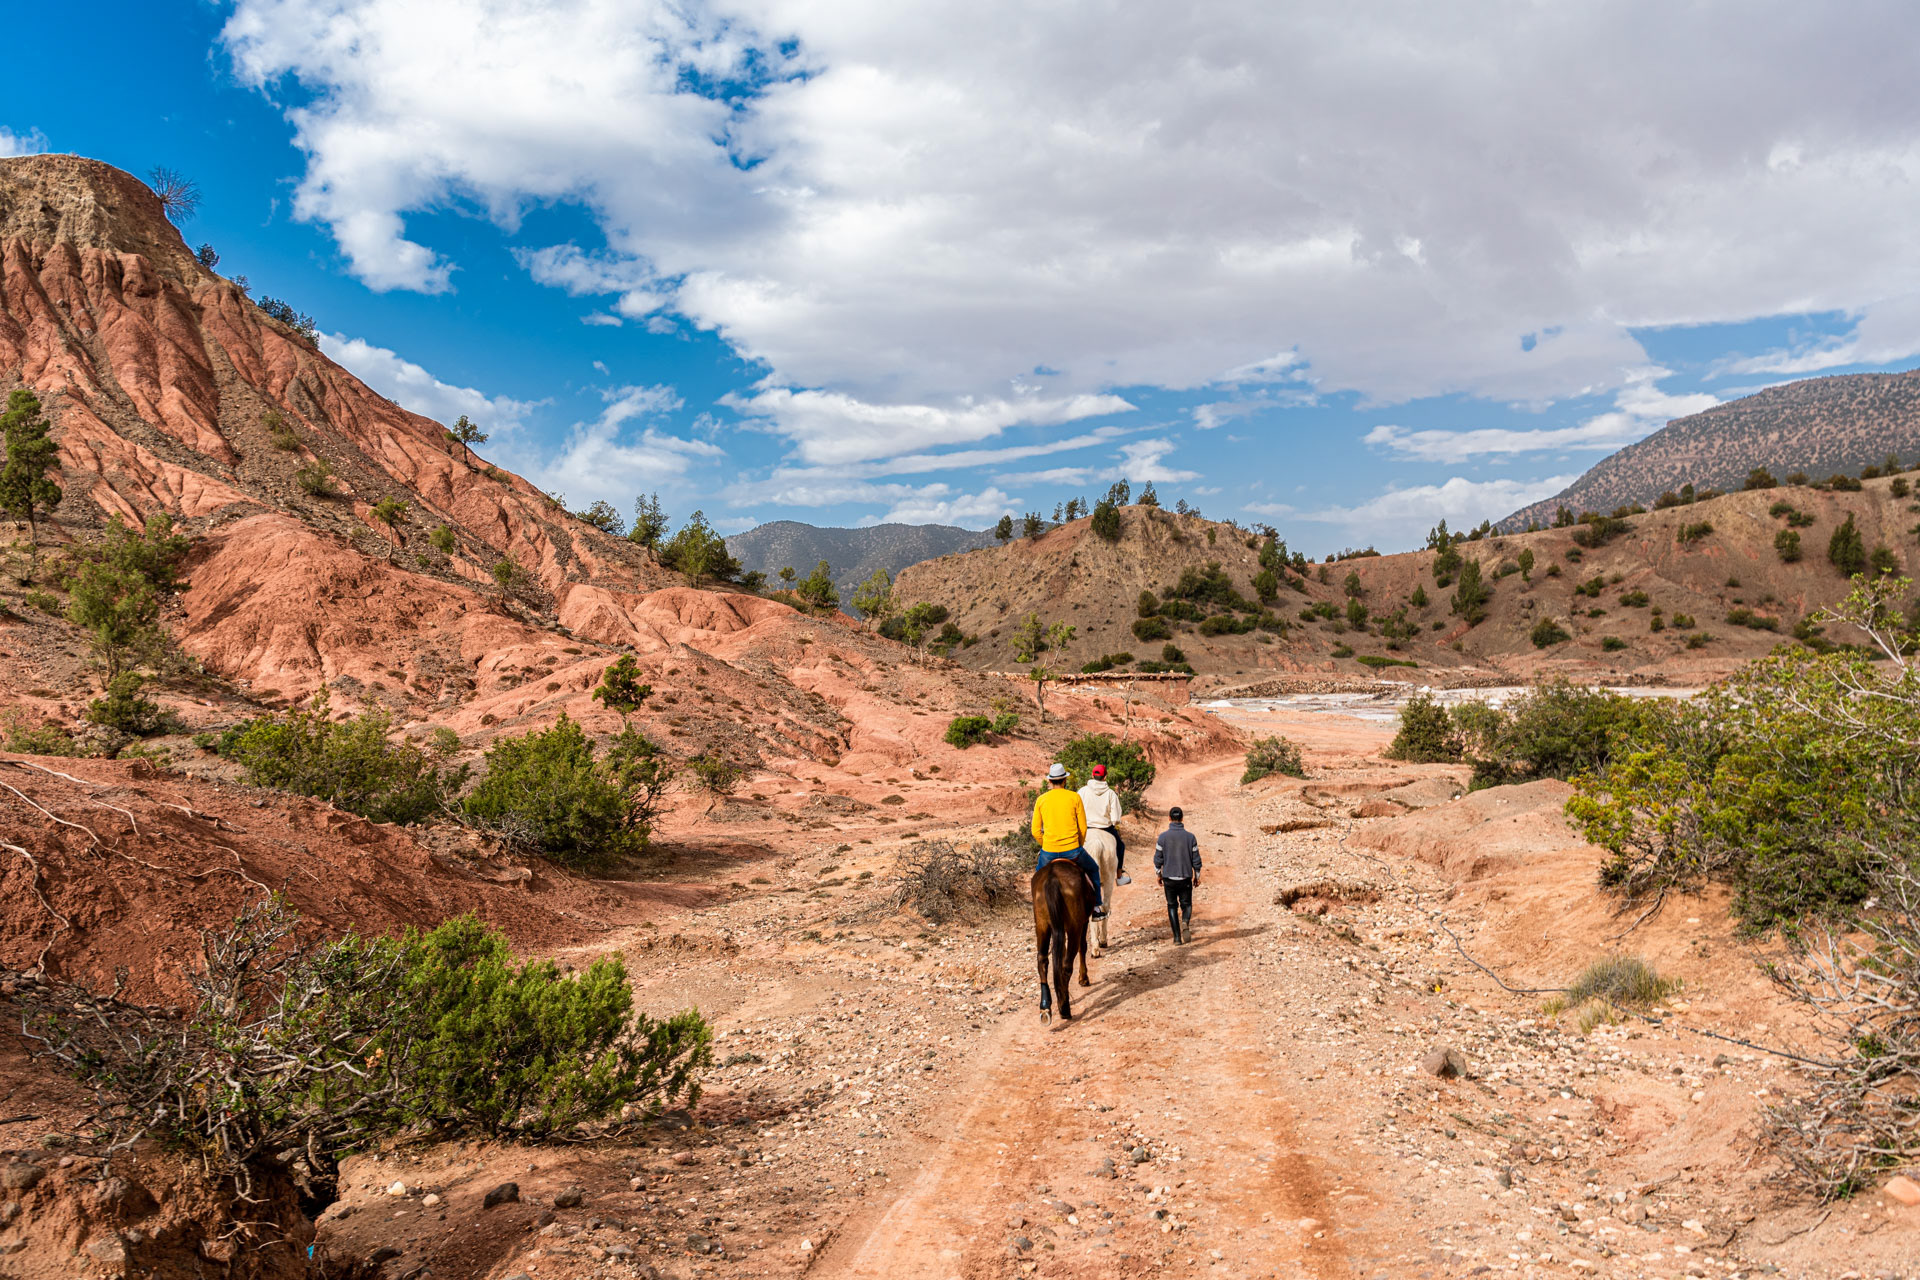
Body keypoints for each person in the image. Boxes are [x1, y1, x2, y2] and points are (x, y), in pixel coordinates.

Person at [1031, 762, 1105, 919]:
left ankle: (1037, 909)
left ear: (1050, 781)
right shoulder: (1074, 797)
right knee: (1093, 869)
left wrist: (1045, 844)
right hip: (1073, 851)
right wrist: (1078, 844)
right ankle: (1097, 907)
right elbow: (1083, 828)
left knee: (1037, 879)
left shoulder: (1041, 800)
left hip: (1049, 852)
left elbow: (1035, 830)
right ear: (1064, 780)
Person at [1154, 806, 1201, 944]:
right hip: (1185, 877)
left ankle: (1176, 938)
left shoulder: (1162, 837)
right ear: (1182, 818)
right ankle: (1185, 921)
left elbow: (1158, 859)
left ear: (1169, 818)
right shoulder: (1190, 837)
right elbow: (1196, 859)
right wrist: (1197, 876)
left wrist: (1158, 874)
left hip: (1169, 877)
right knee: (1186, 904)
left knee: (1172, 905)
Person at [1078, 763, 1131, 885]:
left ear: (1092, 775)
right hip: (1106, 829)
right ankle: (1119, 877)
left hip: (1086, 829)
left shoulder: (1082, 791)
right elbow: (1116, 819)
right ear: (1105, 777)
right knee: (1120, 847)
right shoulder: (1111, 794)